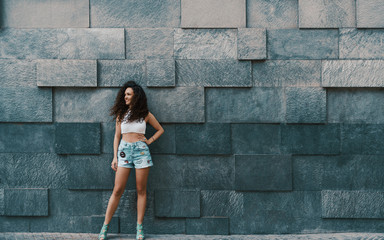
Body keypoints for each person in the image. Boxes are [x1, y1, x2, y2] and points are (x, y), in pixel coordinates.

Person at [98, 81, 164, 240]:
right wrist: (114, 156)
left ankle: (139, 228)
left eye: (128, 94)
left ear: (136, 96)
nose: (125, 97)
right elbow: (116, 136)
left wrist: (150, 140)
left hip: (141, 151)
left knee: (141, 190)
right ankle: (105, 227)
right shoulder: (121, 114)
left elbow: (160, 129)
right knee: (117, 190)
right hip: (124, 152)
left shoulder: (145, 114)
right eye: (125, 94)